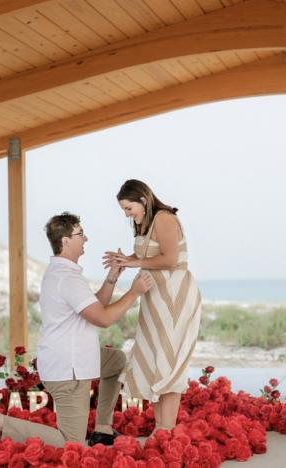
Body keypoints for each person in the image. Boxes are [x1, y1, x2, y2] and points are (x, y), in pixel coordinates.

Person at [0, 212, 153, 447]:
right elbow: (103, 319)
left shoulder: (64, 273)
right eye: (81, 234)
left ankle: (102, 428)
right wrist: (135, 292)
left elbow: (94, 306)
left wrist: (112, 278)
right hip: (68, 370)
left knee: (115, 361)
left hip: (71, 358)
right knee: (71, 442)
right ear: (65, 241)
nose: (86, 239)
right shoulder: (67, 278)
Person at [103, 179, 202, 435]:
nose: (126, 214)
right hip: (153, 296)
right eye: (123, 210)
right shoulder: (143, 222)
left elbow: (170, 259)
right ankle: (161, 428)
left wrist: (135, 263)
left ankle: (166, 430)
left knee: (169, 361)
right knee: (154, 359)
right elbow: (147, 256)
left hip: (174, 297)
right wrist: (125, 260)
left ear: (143, 200)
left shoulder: (164, 218)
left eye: (128, 208)